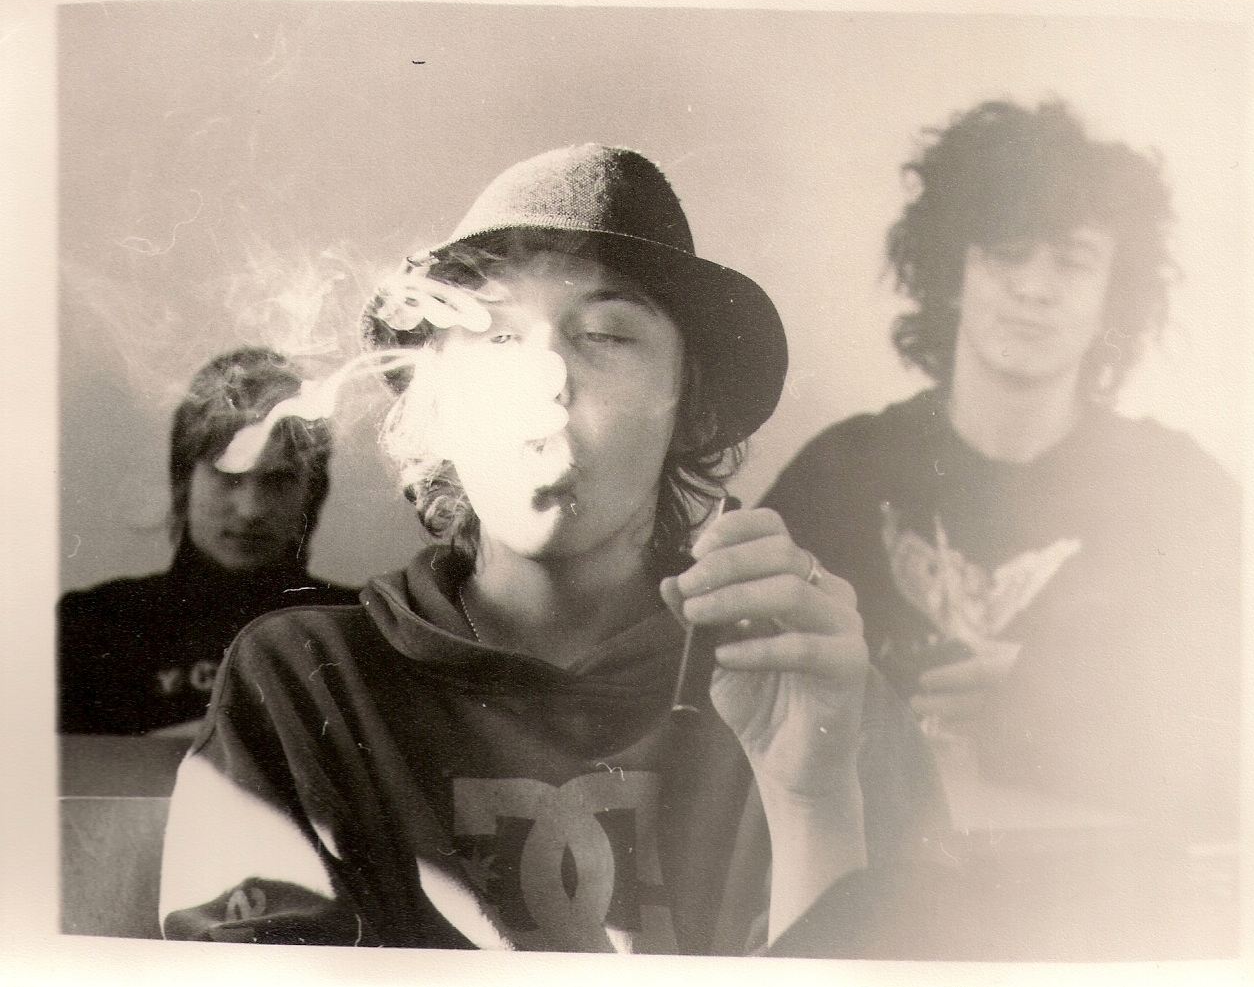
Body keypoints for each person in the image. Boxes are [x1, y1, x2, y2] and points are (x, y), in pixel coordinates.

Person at [157, 145, 942, 955]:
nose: (547, 376)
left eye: (605, 333)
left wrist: (812, 800)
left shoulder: (816, 691)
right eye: (496, 336)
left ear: (692, 408)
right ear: (434, 408)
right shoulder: (304, 682)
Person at [762, 102, 1240, 956]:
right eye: (1005, 251)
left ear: (1115, 295)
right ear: (952, 268)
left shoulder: (1181, 492)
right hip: (881, 925)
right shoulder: (839, 473)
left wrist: (1056, 711)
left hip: (1110, 932)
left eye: (1072, 260)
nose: (1033, 286)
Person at [59, 347, 359, 736]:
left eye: (279, 480)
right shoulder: (93, 626)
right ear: (184, 480)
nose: (251, 509)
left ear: (311, 493)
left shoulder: (359, 628)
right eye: (228, 476)